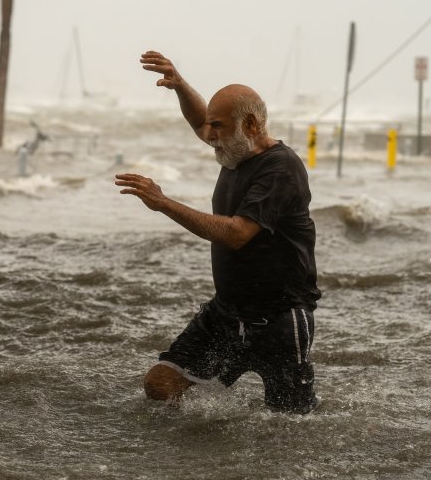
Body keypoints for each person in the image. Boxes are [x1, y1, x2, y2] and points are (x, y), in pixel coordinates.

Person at [115, 50, 321, 413]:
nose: (209, 135)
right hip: (226, 314)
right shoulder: (233, 150)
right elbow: (200, 123)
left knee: (290, 424)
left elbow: (237, 233)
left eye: (219, 127)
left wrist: (164, 203)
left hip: (280, 319)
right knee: (161, 384)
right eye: (211, 126)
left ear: (252, 125)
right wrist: (179, 86)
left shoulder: (280, 168)